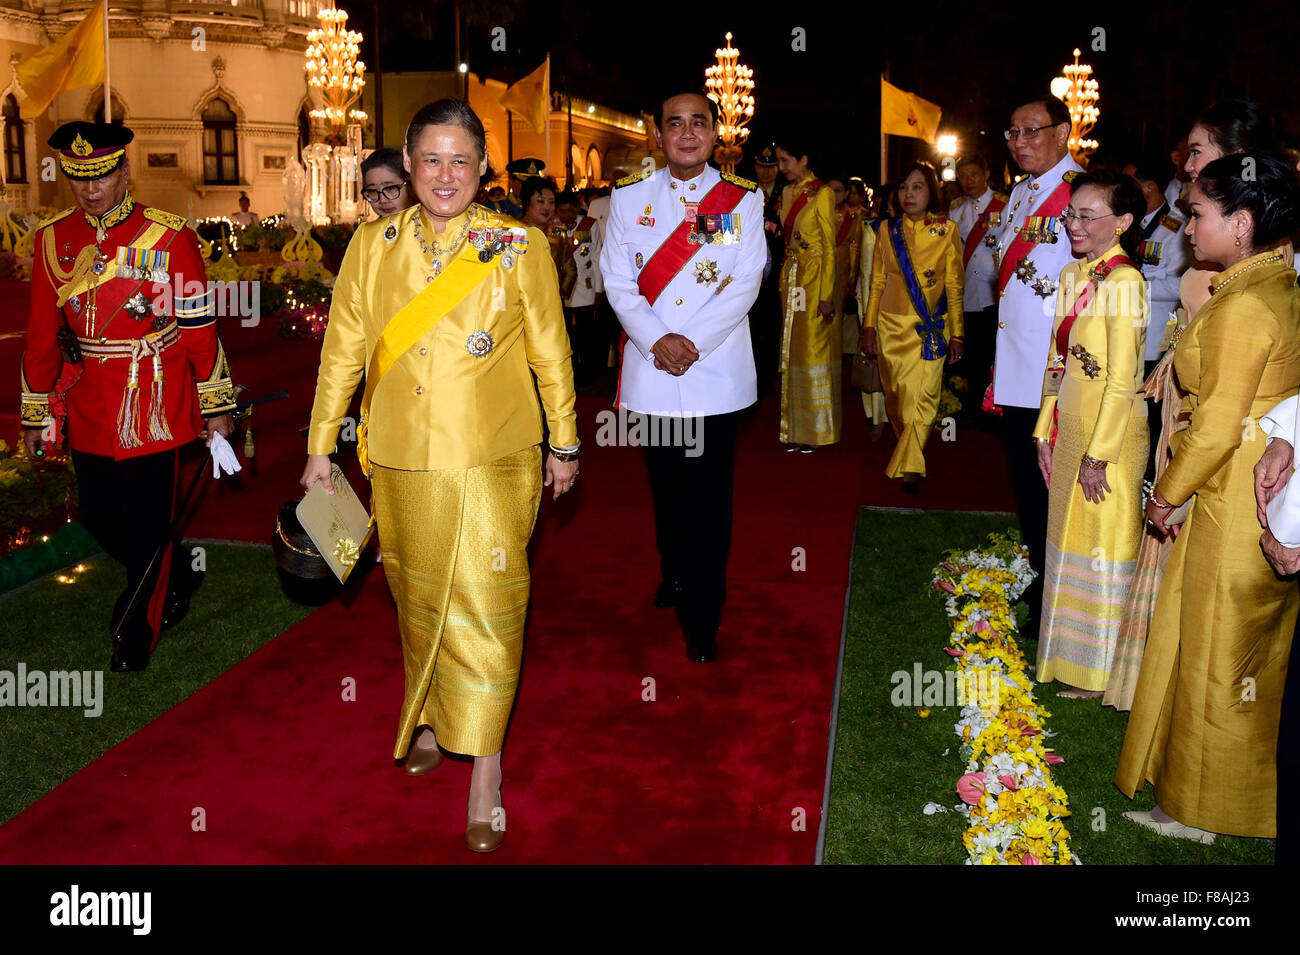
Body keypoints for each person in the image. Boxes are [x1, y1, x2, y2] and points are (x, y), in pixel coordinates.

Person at [301, 98, 578, 853]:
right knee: (419, 598)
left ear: (483, 165)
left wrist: (566, 443)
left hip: (496, 456)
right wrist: (321, 446)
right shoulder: (372, 242)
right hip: (397, 456)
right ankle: (425, 712)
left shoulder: (518, 244)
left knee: (489, 605)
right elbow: (344, 350)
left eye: (461, 160)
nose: (446, 174)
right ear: (409, 162)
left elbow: (551, 351)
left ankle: (485, 768)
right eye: (431, 159)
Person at [1116, 152, 1300, 843]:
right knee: (1235, 647)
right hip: (1260, 482)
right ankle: (1207, 796)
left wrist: (1163, 495)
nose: (1186, 227)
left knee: (1220, 649)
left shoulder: (1247, 302)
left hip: (1237, 489)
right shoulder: (1270, 282)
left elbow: (1218, 424)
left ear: (1243, 221)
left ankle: (1206, 810)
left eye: (1198, 213)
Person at [20, 121, 236, 672]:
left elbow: (197, 324)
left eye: (101, 177)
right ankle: (179, 569)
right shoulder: (53, 239)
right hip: (89, 399)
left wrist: (215, 404)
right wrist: (36, 411)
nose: (91, 190)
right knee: (100, 516)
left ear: (122, 172)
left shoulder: (167, 236)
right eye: (79, 179)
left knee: (142, 524)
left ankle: (136, 633)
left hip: (153, 402)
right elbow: (41, 332)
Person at [600, 90, 764, 663]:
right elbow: (617, 280)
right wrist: (655, 339)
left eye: (699, 123)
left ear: (716, 133)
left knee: (709, 501)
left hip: (713, 373)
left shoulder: (742, 199)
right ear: (658, 134)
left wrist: (690, 342)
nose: (688, 133)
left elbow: (746, 281)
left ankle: (703, 616)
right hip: (651, 371)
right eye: (675, 124)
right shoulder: (629, 199)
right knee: (667, 490)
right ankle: (674, 574)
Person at [1032, 170, 1149, 698]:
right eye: (1070, 213)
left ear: (1123, 222)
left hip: (1113, 435)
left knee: (1102, 542)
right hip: (1071, 427)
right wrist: (1043, 430)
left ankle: (1101, 671)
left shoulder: (1126, 282)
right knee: (1068, 538)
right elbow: (1057, 361)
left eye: (1086, 214)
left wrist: (1099, 456)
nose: (1073, 224)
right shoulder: (1071, 275)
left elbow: (1124, 379)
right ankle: (1067, 657)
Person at [990, 95, 1084, 636]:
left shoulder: (1081, 193)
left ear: (1063, 132)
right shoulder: (1023, 194)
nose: (1020, 142)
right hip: (1017, 361)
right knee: (1027, 480)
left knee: (1052, 480)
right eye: (1013, 132)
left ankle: (1061, 588)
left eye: (1032, 131)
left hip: (1056, 368)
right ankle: (1043, 571)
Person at [860, 161, 965, 490]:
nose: (909, 194)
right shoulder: (886, 230)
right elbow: (876, 281)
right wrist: (868, 326)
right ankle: (910, 451)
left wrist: (959, 333)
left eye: (917, 187)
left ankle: (911, 467)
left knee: (926, 395)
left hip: (932, 327)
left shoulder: (947, 231)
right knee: (899, 398)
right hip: (891, 326)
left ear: (931, 192)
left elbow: (954, 286)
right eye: (904, 187)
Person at [776, 138, 839, 452]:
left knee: (812, 350)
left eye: (786, 160)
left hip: (815, 280)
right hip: (793, 278)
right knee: (792, 349)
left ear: (804, 158)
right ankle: (794, 430)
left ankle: (817, 431)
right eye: (779, 161)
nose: (781, 168)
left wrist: (827, 294)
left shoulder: (822, 194)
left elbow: (829, 248)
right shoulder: (787, 192)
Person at [949, 155, 1007, 429]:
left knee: (993, 353)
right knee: (971, 355)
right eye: (963, 175)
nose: (968, 180)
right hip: (967, 292)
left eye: (973, 174)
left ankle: (994, 407)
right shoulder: (956, 209)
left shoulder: (1005, 205)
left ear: (986, 173)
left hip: (993, 291)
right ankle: (972, 407)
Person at [557, 189, 606, 386]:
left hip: (584, 289)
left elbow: (596, 259)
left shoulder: (588, 225)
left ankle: (587, 374)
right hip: (559, 290)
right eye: (562, 210)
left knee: (586, 336)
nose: (566, 215)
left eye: (570, 210)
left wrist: (598, 290)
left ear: (577, 209)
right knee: (564, 335)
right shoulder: (552, 226)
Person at [752, 143, 784, 397]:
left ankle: (769, 376)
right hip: (750, 272)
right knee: (750, 326)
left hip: (777, 273)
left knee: (773, 326)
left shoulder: (787, 194)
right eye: (762, 167)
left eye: (771, 167)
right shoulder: (746, 192)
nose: (766, 172)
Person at [521, 175, 576, 302]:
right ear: (526, 202)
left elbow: (570, 269)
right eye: (540, 201)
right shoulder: (512, 233)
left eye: (551, 202)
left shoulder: (558, 234)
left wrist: (559, 296)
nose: (547, 207)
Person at [828, 175, 865, 357]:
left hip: (841, 275)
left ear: (845, 194)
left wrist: (852, 278)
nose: (834, 195)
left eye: (838, 191)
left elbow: (855, 249)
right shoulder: (815, 215)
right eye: (830, 190)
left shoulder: (853, 218)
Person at [360, 147, 412, 218]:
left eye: (390, 189)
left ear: (410, 186)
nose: (382, 200)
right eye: (373, 191)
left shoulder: (428, 227)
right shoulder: (367, 229)